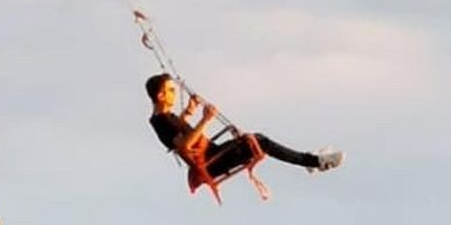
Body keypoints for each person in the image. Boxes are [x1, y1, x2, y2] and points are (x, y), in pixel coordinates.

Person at [145, 75, 342, 193]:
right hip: (213, 162)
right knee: (259, 141)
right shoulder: (161, 121)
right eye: (171, 90)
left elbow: (181, 131)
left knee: (256, 139)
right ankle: (314, 162)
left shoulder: (165, 117)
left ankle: (311, 161)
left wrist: (189, 110)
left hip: (214, 154)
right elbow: (185, 146)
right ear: (160, 96)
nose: (175, 93)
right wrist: (206, 119)